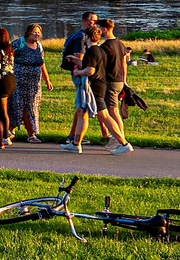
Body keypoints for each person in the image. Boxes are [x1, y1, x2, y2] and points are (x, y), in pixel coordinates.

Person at [76, 18, 132, 154]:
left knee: (110, 113)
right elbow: (124, 63)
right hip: (118, 80)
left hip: (109, 81)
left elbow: (95, 67)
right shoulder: (120, 43)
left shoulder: (104, 46)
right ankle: (117, 140)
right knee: (108, 112)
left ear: (104, 30)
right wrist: (124, 80)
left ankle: (121, 141)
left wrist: (79, 70)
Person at [8, 25, 54, 143]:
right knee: (17, 105)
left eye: (38, 33)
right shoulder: (19, 43)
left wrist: (47, 81)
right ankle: (9, 130)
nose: (37, 34)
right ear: (28, 33)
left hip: (34, 83)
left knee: (32, 107)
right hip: (19, 81)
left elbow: (42, 64)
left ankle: (31, 134)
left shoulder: (39, 46)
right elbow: (7, 54)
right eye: (34, 32)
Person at [61, 12, 99, 151]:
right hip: (82, 75)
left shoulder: (82, 35)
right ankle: (75, 137)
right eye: (91, 20)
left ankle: (74, 136)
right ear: (84, 21)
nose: (93, 23)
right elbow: (80, 57)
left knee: (81, 107)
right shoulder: (81, 37)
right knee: (83, 106)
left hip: (82, 73)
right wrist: (79, 73)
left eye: (95, 20)